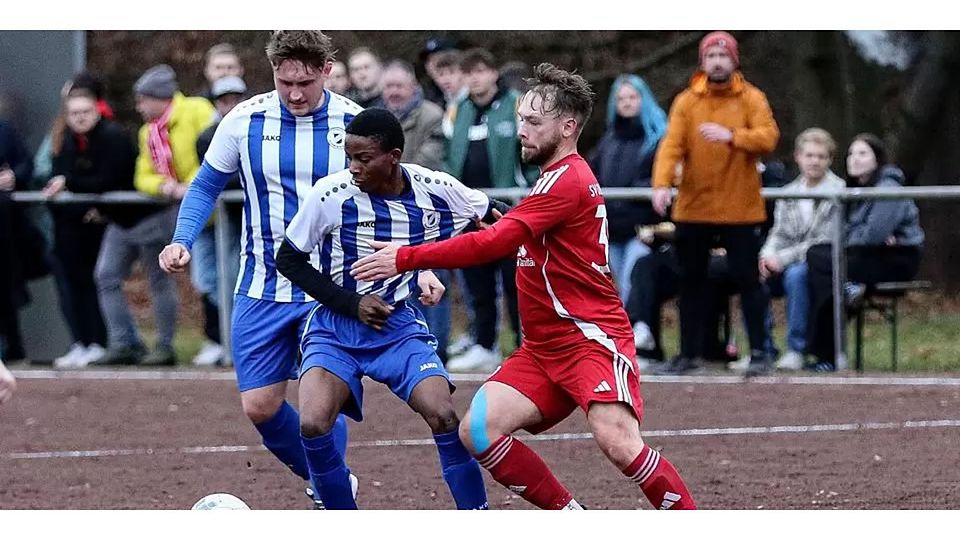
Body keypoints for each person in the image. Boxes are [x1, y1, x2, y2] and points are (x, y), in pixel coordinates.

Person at [352, 63, 697, 510]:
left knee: (619, 443)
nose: (522, 131)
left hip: (589, 339)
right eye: (521, 121)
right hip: (543, 348)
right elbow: (513, 229)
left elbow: (495, 242)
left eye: (534, 122)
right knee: (477, 430)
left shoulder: (569, 178)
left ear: (568, 127)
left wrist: (405, 257)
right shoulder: (550, 178)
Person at [158, 30, 365, 509]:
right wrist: (181, 239)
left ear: (327, 72)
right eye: (284, 80)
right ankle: (334, 479)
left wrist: (419, 268)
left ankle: (337, 503)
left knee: (320, 406)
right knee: (260, 406)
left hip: (329, 290)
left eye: (306, 82)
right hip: (261, 285)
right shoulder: (245, 118)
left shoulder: (355, 123)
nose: (294, 92)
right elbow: (205, 185)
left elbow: (394, 199)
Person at [275, 108, 489, 510]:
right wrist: (351, 303)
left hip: (398, 327)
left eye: (363, 158)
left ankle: (477, 518)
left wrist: (425, 264)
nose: (353, 167)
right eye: (349, 157)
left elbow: (489, 217)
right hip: (334, 328)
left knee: (444, 415)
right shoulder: (330, 195)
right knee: (312, 423)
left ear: (393, 156)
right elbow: (288, 260)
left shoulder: (435, 187)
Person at [651, 31, 780, 377]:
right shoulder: (687, 102)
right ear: (702, 62)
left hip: (740, 207)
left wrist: (734, 137)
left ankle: (760, 354)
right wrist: (661, 184)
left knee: (748, 281)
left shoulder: (752, 98)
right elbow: (671, 146)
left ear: (734, 61)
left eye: (723, 56)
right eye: (711, 56)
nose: (717, 62)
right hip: (694, 207)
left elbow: (769, 137)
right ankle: (688, 354)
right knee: (690, 281)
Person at [92, 64, 215, 367]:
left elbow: (219, 152)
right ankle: (127, 343)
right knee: (113, 275)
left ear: (158, 97)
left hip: (201, 208)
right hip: (169, 207)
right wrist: (165, 186)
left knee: (202, 280)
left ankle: (192, 343)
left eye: (143, 99)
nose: (139, 106)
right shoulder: (149, 131)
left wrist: (193, 184)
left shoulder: (196, 110)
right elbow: (142, 175)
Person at [443, 47, 535, 372]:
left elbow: (530, 154)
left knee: (516, 283)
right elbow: (448, 156)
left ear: (493, 73)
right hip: (469, 212)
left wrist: (531, 193)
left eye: (480, 71)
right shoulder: (457, 109)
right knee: (477, 283)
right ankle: (485, 345)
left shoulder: (515, 105)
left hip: (510, 210)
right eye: (469, 73)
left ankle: (526, 345)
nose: (475, 78)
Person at [804, 133, 924, 372]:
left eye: (862, 153)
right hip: (865, 255)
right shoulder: (854, 191)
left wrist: (861, 236)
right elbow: (845, 235)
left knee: (825, 263)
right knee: (820, 259)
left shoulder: (888, 189)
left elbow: (872, 236)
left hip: (897, 258)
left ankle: (825, 354)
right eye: (851, 153)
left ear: (876, 159)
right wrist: (859, 234)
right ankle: (828, 349)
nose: (854, 159)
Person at [44, 88, 137, 368]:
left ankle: (103, 340)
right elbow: (57, 176)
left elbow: (110, 178)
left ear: (97, 112)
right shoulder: (64, 141)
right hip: (68, 227)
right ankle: (82, 341)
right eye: (74, 113)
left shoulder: (112, 137)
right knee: (70, 286)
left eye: (85, 112)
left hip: (101, 226)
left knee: (97, 281)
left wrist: (71, 184)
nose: (80, 118)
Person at [381, 59, 453, 363]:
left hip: (428, 213)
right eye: (388, 86)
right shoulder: (378, 118)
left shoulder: (433, 116)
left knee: (433, 278)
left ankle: (437, 348)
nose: (394, 92)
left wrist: (384, 174)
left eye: (399, 85)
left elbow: (428, 163)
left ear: (413, 86)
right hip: (390, 212)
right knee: (397, 280)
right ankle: (407, 346)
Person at [757, 128, 844, 371]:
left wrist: (781, 259)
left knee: (797, 275)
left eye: (821, 156)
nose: (814, 161)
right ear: (798, 156)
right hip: (786, 259)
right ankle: (761, 348)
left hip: (817, 265)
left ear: (829, 159)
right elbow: (779, 232)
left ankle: (797, 349)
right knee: (752, 275)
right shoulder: (788, 193)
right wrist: (767, 255)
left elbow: (823, 241)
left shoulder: (839, 192)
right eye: (810, 155)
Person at [587, 73, 666, 304]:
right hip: (612, 230)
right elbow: (594, 175)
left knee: (633, 287)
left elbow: (660, 178)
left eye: (633, 97)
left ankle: (636, 335)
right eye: (621, 98)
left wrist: (633, 191)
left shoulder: (659, 139)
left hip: (642, 229)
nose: (627, 102)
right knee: (618, 291)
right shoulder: (608, 141)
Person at [189, 75, 249, 367]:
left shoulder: (257, 129)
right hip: (220, 220)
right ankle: (225, 341)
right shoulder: (206, 137)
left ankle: (242, 345)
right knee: (212, 280)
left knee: (238, 277)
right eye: (224, 100)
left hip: (251, 221)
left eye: (236, 98)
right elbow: (215, 181)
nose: (231, 105)